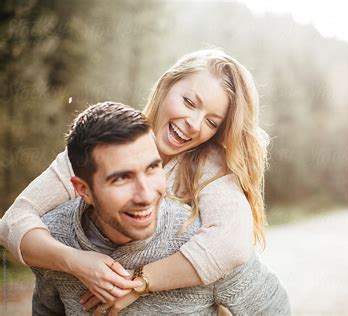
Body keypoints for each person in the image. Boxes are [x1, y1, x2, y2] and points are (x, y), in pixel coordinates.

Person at [0, 49, 273, 308]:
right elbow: (13, 221)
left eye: (212, 122)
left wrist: (138, 282)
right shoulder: (102, 141)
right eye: (189, 102)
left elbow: (232, 244)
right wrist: (77, 262)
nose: (194, 124)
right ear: (166, 85)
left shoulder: (207, 165)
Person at [32, 102, 289, 315]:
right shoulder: (54, 239)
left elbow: (273, 309)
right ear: (84, 190)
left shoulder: (201, 242)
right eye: (121, 178)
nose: (146, 195)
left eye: (153, 168)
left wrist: (142, 281)